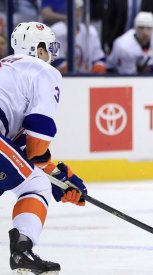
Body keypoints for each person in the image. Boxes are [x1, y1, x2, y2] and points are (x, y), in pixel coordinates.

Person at [1, 21, 87, 274]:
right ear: (37, 49)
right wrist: (55, 180)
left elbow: (23, 155)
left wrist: (59, 176)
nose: (50, 55)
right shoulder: (42, 71)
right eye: (48, 48)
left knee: (34, 177)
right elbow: (38, 136)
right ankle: (22, 252)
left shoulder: (9, 71)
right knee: (34, 184)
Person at [51, 0, 107, 74]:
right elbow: (56, 62)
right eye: (75, 8)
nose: (77, 12)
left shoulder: (91, 32)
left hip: (87, 79)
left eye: (80, 9)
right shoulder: (55, 31)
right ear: (66, 10)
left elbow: (99, 60)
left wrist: (96, 74)